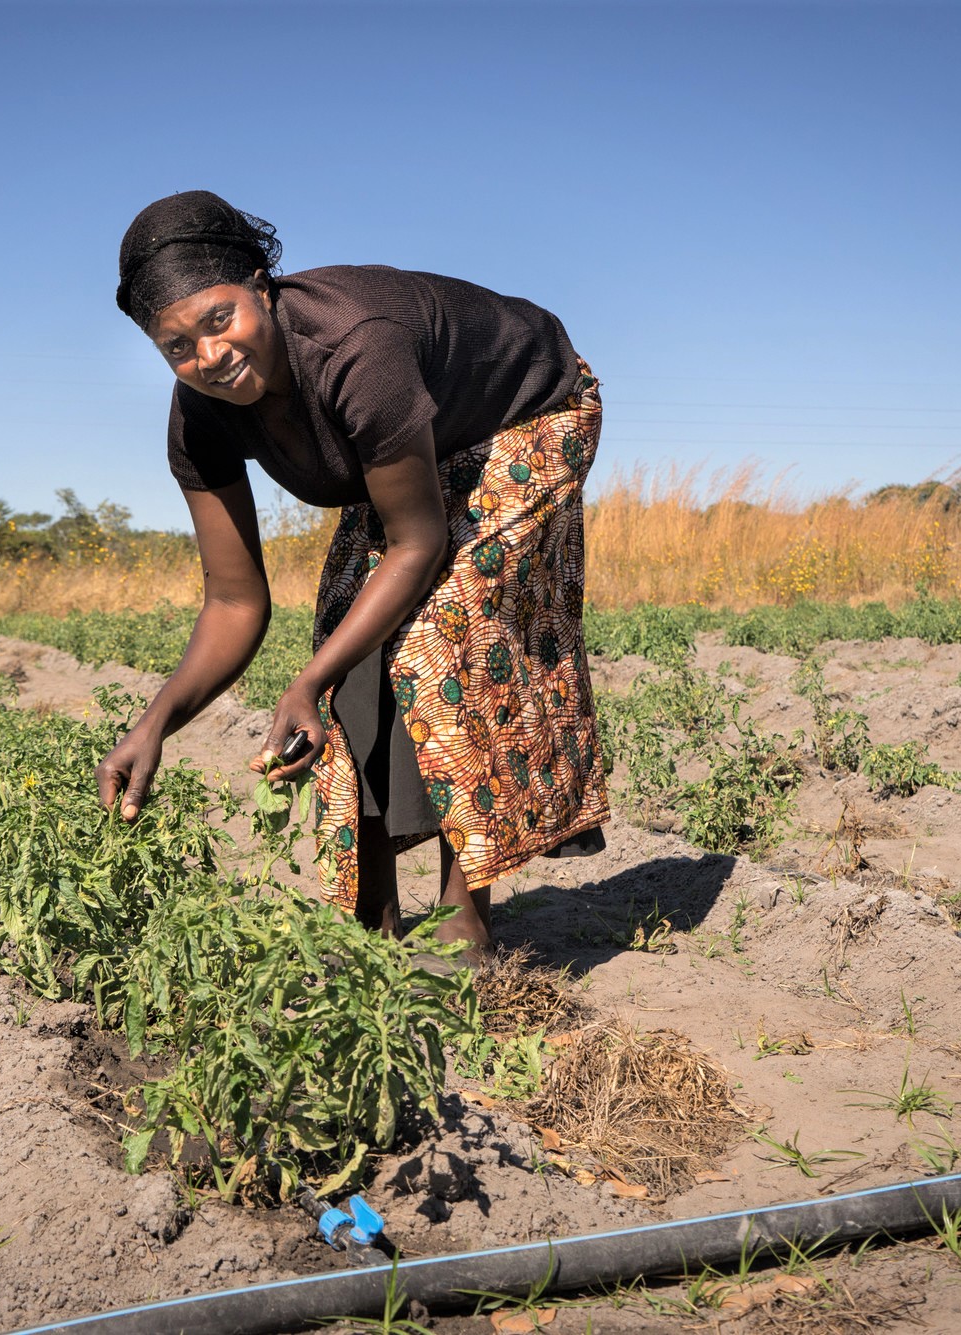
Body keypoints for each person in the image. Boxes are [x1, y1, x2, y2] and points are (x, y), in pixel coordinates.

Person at [95, 190, 608, 965]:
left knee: (440, 631)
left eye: (220, 318)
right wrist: (155, 722)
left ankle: (463, 921)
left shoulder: (354, 344)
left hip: (529, 409)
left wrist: (302, 683)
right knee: (344, 632)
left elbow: (419, 543)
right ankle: (371, 918)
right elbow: (235, 600)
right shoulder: (199, 416)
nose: (209, 356)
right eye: (177, 347)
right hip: (427, 444)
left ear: (262, 286)